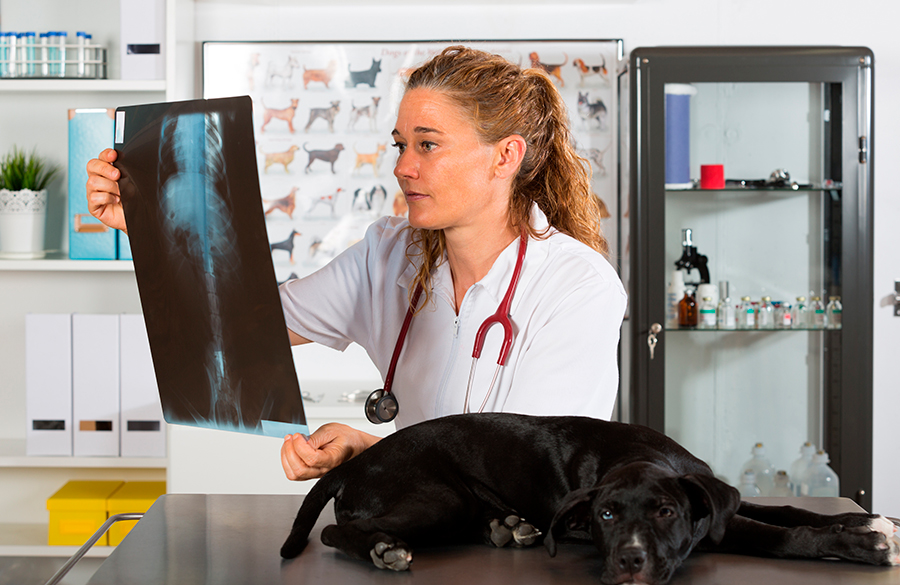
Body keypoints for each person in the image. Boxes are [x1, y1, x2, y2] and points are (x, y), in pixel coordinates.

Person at [85, 45, 627, 483]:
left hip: (527, 551)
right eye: (399, 145)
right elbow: (241, 326)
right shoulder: (388, 254)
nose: (403, 167)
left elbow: (532, 467)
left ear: (505, 157)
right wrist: (148, 225)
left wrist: (375, 453)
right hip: (418, 534)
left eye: (428, 145)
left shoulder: (576, 285)